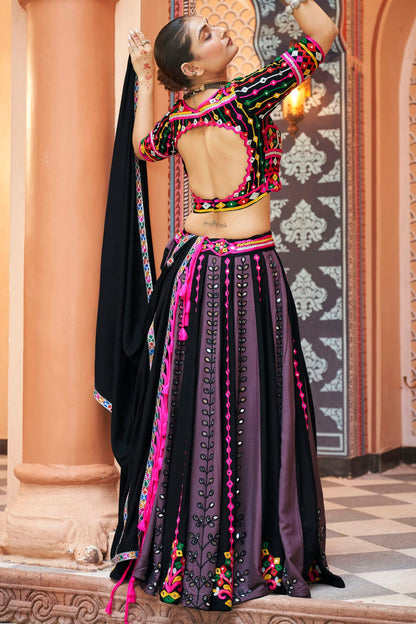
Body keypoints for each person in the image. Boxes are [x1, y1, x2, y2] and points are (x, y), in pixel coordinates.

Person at [104, 0, 344, 615]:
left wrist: (143, 76)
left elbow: (141, 147)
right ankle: (249, 545)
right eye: (207, 34)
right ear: (192, 68)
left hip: (194, 267)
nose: (220, 35)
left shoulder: (178, 119)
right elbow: (324, 34)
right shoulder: (247, 97)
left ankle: (193, 547)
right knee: (252, 401)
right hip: (246, 266)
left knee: (194, 403)